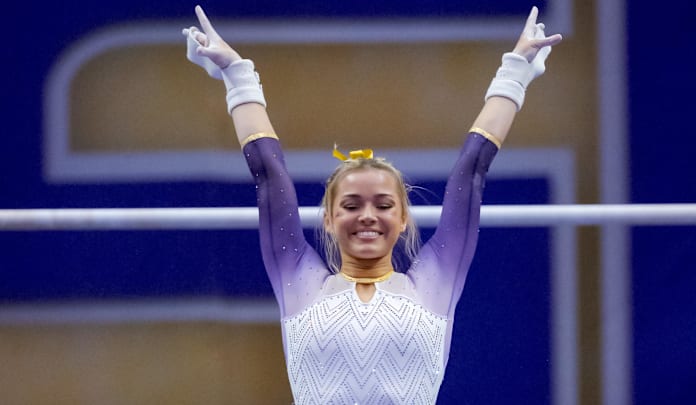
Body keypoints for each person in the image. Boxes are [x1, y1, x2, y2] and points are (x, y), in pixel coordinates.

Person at [183, 5, 561, 404]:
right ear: (328, 219)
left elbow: (472, 171)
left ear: (403, 219)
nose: (367, 216)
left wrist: (515, 73)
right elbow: (268, 174)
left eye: (382, 205)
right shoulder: (300, 280)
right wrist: (237, 75)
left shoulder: (435, 282)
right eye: (350, 205)